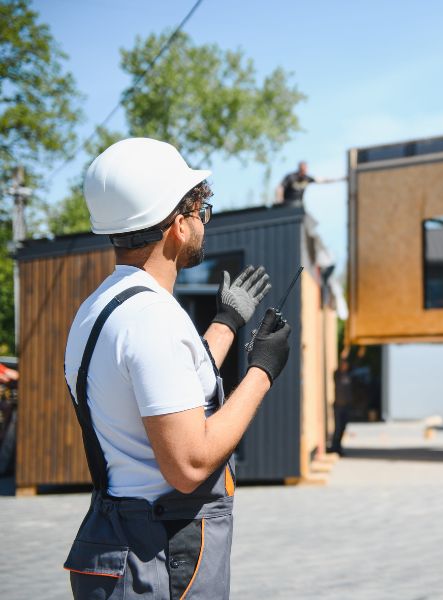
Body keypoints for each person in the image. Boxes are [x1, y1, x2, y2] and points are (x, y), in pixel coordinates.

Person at [63, 137, 291, 599]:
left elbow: (163, 385)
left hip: (116, 540)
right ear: (177, 226)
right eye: (200, 214)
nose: (204, 225)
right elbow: (189, 463)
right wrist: (262, 371)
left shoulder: (99, 307)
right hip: (162, 556)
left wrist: (226, 323)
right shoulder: (153, 321)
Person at [273, 161, 343, 206]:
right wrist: (279, 200)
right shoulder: (291, 177)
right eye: (302, 170)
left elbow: (322, 180)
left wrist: (339, 179)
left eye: (305, 169)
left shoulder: (307, 178)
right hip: (288, 203)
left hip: (299, 204)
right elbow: (280, 188)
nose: (304, 171)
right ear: (299, 169)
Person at [330, 358, 353, 456]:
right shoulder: (337, 375)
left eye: (346, 365)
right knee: (338, 428)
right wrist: (345, 351)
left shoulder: (348, 375)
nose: (345, 366)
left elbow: (356, 362)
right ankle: (335, 447)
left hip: (346, 406)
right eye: (343, 365)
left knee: (343, 427)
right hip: (338, 406)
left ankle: (338, 446)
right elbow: (343, 358)